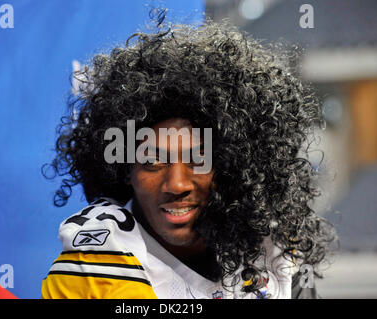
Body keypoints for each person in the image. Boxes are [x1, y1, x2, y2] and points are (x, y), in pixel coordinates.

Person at [41, 20, 336, 299]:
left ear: (233, 165)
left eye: (198, 159)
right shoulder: (97, 261)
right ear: (124, 170)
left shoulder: (271, 249)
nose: (177, 183)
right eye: (153, 162)